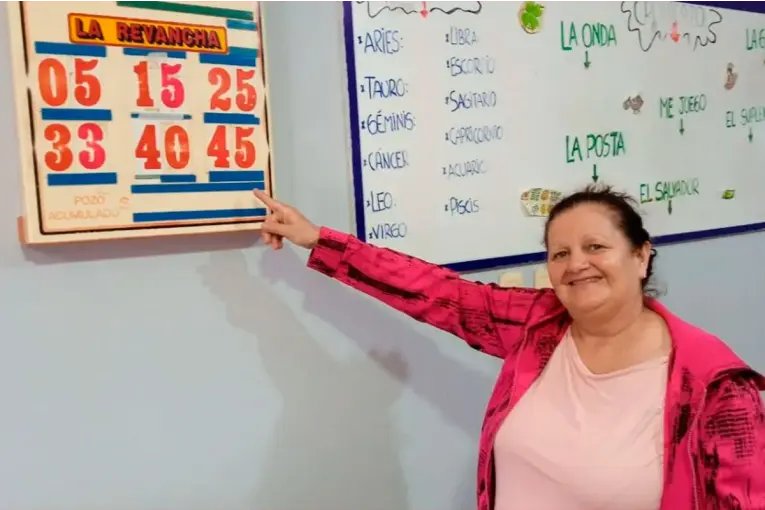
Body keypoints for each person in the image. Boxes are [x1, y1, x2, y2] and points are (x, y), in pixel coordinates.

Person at [252, 185, 765, 510]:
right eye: (560, 253)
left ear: (641, 256)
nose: (576, 264)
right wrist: (318, 239)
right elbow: (437, 293)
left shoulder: (715, 387)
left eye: (596, 247)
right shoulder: (539, 326)